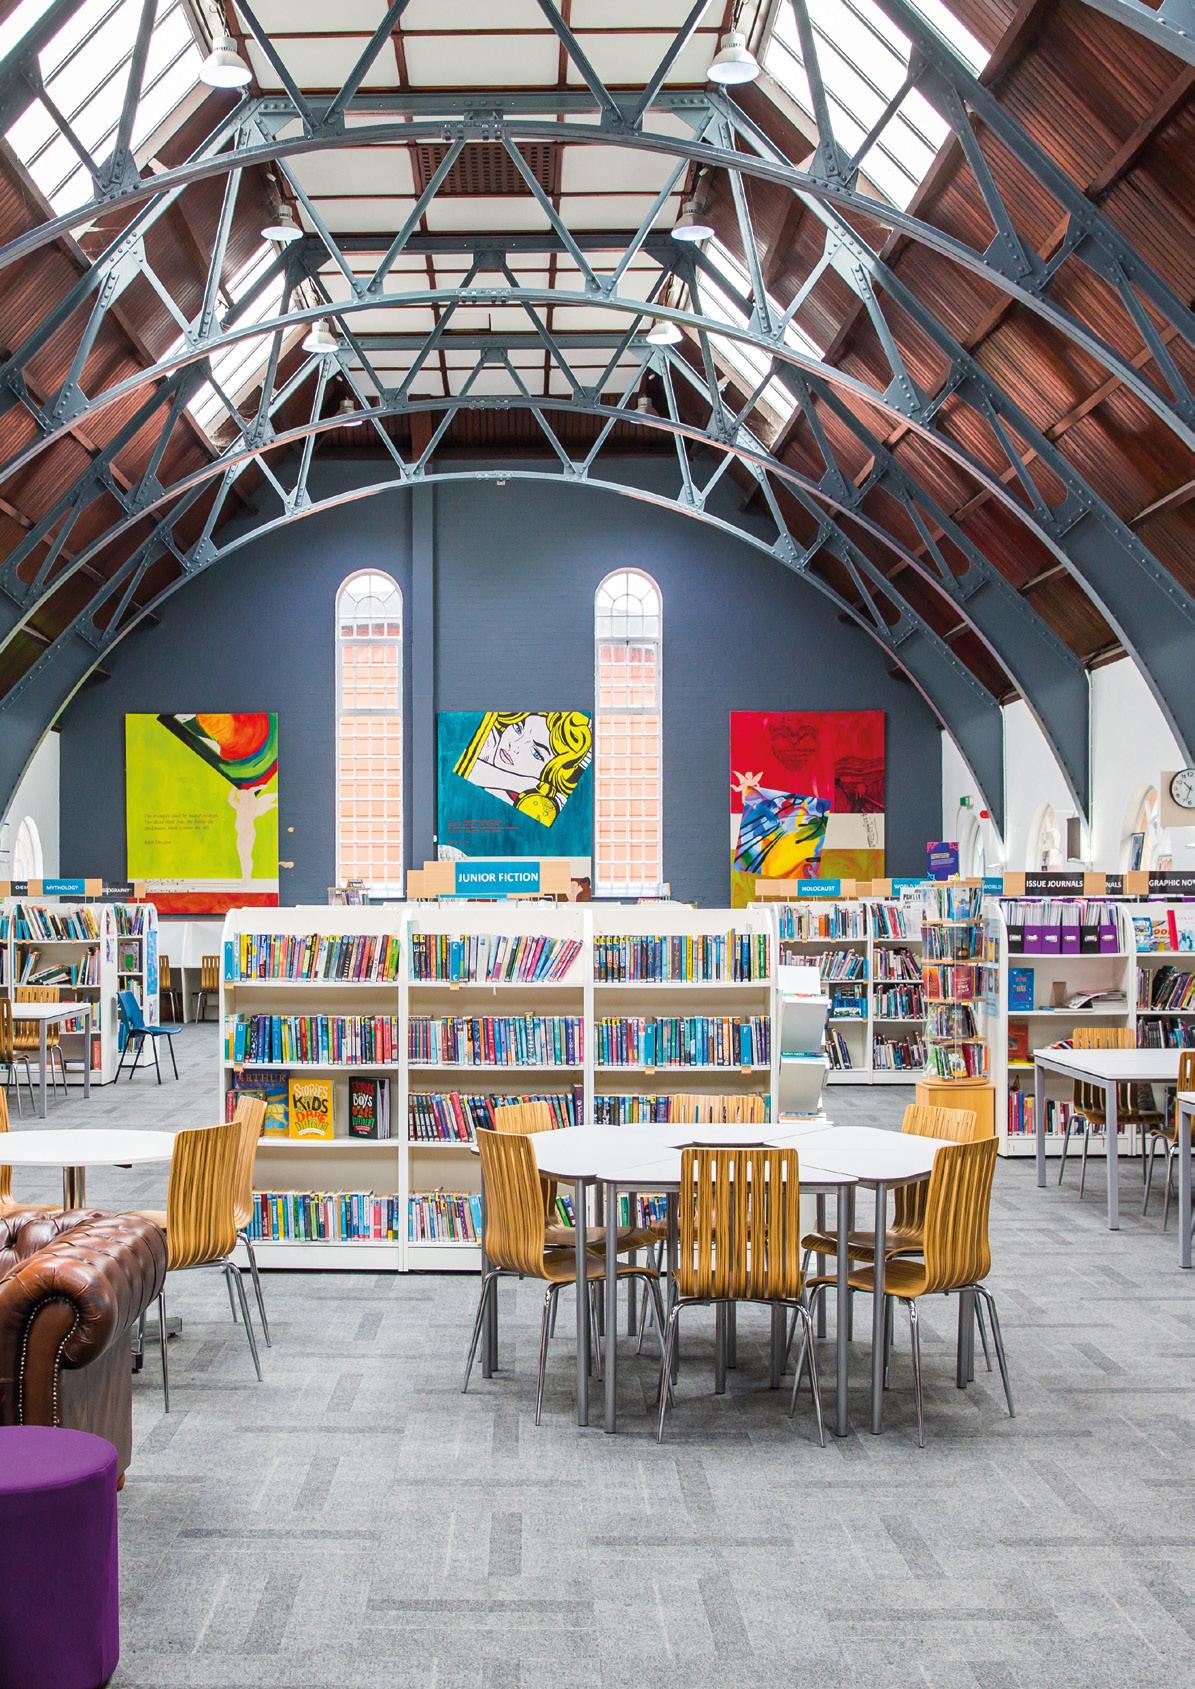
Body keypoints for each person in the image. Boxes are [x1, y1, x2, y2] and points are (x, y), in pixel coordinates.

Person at [454, 711, 592, 827]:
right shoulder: (489, 743)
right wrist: (523, 784)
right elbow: (466, 770)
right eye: (518, 729)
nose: (514, 745)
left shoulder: (542, 806)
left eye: (535, 753)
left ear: (552, 773)